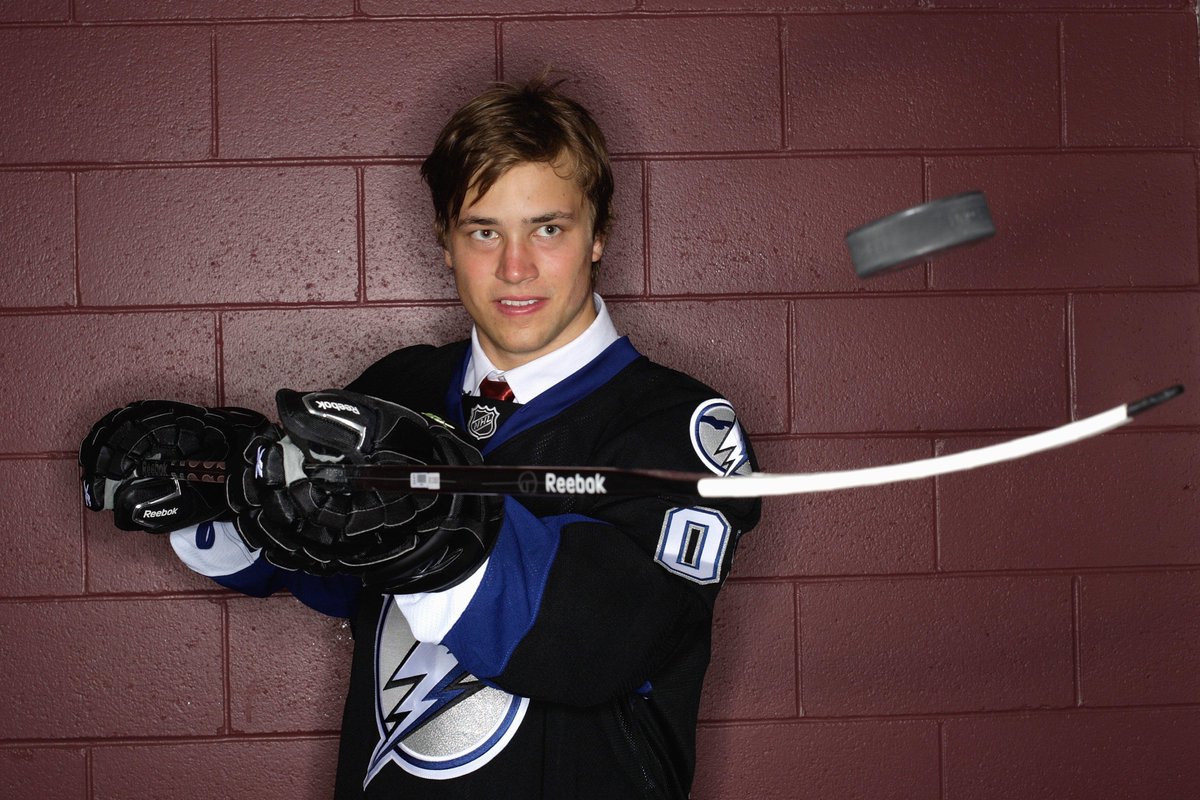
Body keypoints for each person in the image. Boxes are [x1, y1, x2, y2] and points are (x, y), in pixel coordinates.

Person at [80, 78, 760, 799]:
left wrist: (434, 519)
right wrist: (235, 492)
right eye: (484, 231)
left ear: (599, 235)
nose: (516, 267)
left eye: (548, 229)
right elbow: (335, 573)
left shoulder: (677, 425)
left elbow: (606, 644)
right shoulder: (399, 387)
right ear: (445, 242)